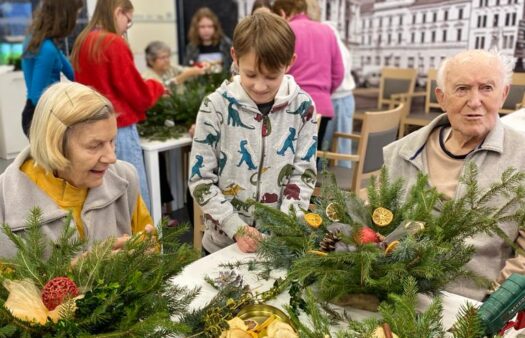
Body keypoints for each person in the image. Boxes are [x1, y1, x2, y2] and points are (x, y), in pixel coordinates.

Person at [383, 49, 525, 301]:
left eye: (487, 88)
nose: (474, 101)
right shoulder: (401, 153)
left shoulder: (521, 158)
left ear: (503, 94)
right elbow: (378, 223)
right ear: (442, 97)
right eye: (462, 89)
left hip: (475, 305)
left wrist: (495, 304)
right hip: (395, 295)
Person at [189, 12, 318, 254]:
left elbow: (303, 174)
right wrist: (235, 227)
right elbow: (201, 180)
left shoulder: (304, 107)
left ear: (289, 62)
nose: (260, 86)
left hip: (280, 242)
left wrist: (285, 225)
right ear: (235, 57)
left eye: (271, 76)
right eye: (250, 75)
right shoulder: (214, 106)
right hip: (222, 246)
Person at [0, 82, 154, 258]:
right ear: (54, 144)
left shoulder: (124, 178)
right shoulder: (5, 202)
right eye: (95, 146)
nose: (111, 158)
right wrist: (77, 272)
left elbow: (151, 247)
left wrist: (146, 251)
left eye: (112, 141)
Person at [71, 0, 165, 212]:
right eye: (128, 21)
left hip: (89, 131)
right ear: (118, 12)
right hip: (117, 129)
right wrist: (156, 86)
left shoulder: (83, 41)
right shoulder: (113, 43)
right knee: (134, 194)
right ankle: (144, 243)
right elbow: (138, 95)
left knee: (105, 195)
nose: (126, 27)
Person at [272, 0, 344, 147]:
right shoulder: (327, 31)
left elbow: (274, 71)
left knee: (283, 162)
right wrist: (322, 93)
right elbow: (338, 73)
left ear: (282, 13)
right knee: (312, 163)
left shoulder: (285, 31)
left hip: (289, 107)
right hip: (322, 107)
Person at [305, 0, 356, 168]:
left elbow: (338, 72)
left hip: (338, 98)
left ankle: (334, 188)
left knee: (334, 149)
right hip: (335, 97)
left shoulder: (326, 34)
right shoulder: (327, 33)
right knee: (327, 148)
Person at [21, 0, 83, 137]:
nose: (76, 22)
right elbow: (38, 97)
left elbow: (74, 75)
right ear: (65, 17)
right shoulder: (47, 49)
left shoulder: (37, 41)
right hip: (42, 115)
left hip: (36, 112)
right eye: (75, 16)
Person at [184, 7, 232, 74]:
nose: (206, 30)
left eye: (209, 26)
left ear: (215, 27)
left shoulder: (226, 44)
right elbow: (187, 70)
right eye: (202, 27)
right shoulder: (192, 47)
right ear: (196, 28)